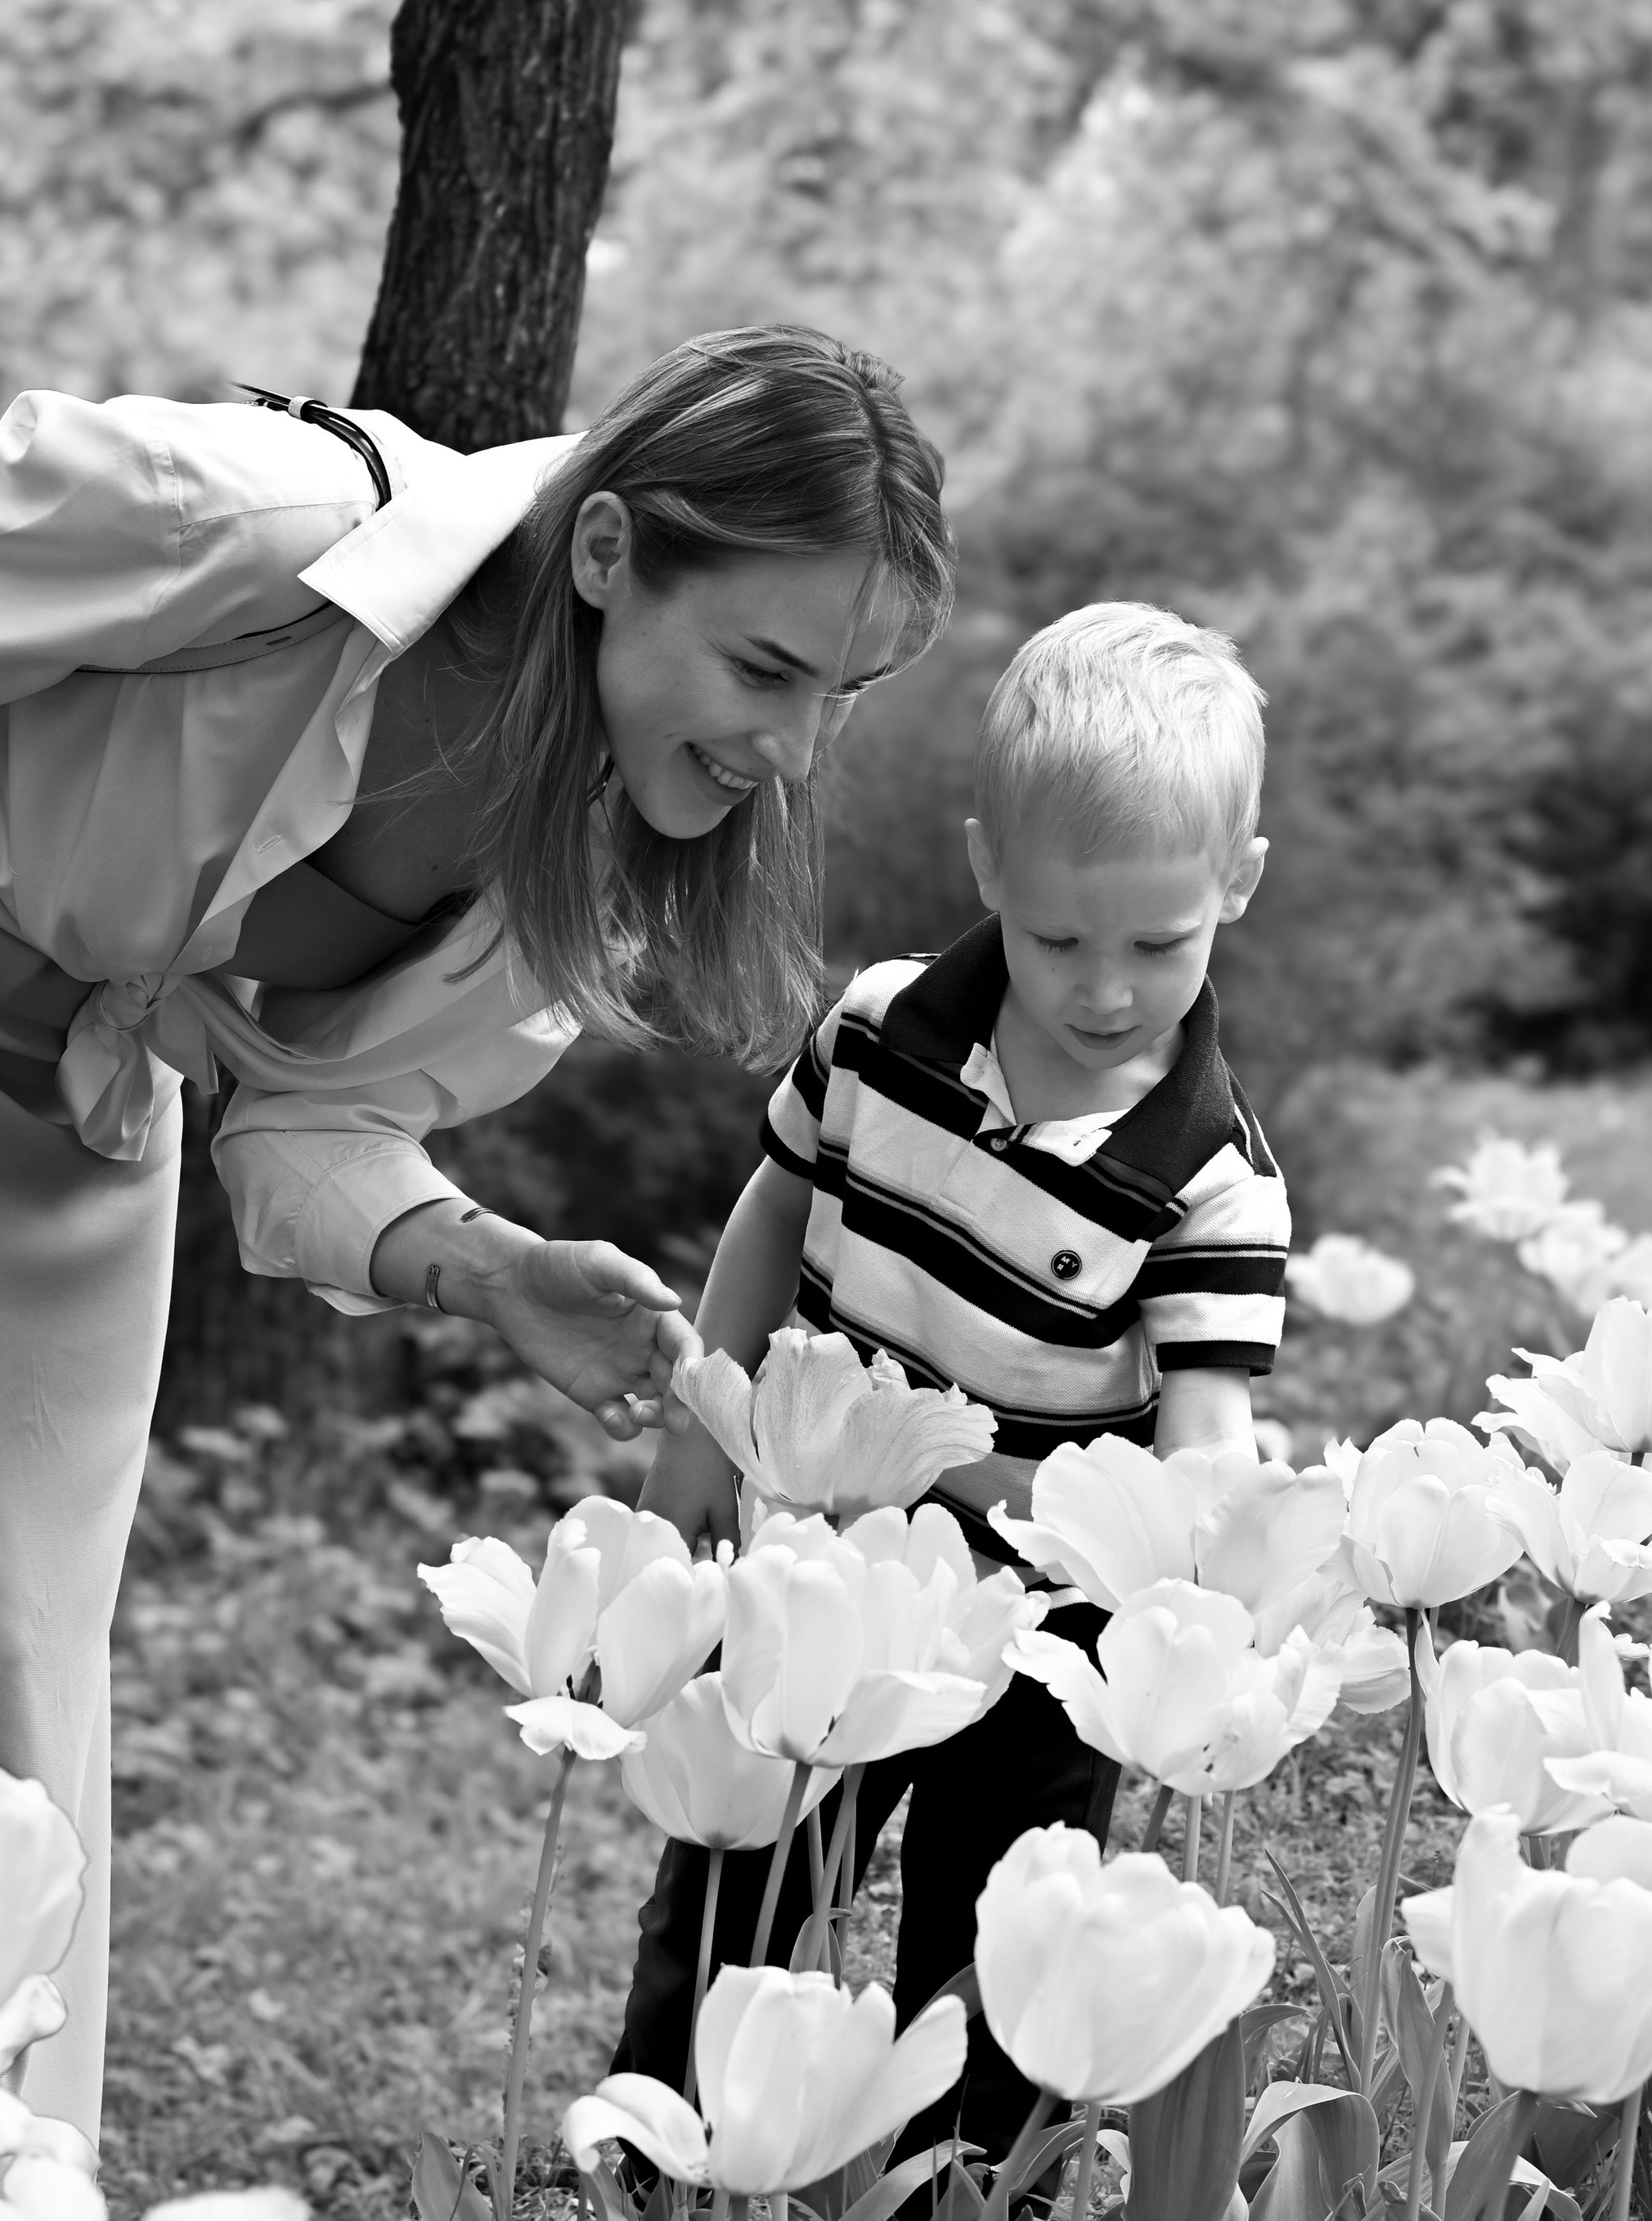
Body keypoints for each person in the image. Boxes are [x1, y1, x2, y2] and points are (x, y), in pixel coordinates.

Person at [0, 325, 954, 2160]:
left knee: (21, 1696)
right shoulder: (249, 525)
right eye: (763, 664)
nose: (790, 746)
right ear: (605, 556)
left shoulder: (560, 853)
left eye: (838, 695)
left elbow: (308, 1125)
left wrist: (489, 1265)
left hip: (73, 1107)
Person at [613, 601, 1291, 2195]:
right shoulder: (878, 1029)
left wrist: (1203, 1577)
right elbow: (774, 1207)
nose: (1107, 989)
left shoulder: (1206, 1178)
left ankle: (963, 2179)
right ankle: (667, 2143)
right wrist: (697, 1428)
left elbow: (1202, 1418)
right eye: (1062, 940)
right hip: (825, 1556)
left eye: (1157, 943)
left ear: (1235, 885)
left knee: (996, 1926)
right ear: (987, 865)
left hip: (1038, 1616)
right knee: (745, 1858)